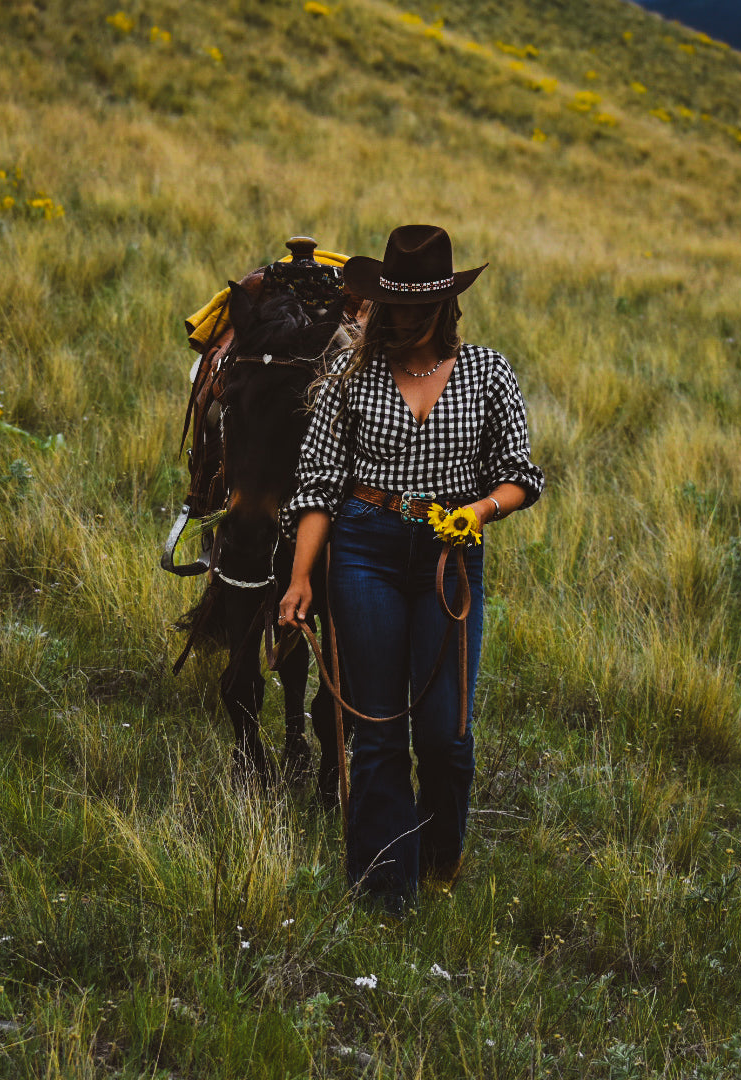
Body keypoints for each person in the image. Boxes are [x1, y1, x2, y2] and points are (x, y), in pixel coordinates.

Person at [279, 224, 544, 911]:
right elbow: (316, 484)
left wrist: (479, 511)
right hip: (362, 546)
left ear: (444, 310)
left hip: (448, 556)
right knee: (376, 728)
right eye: (391, 308)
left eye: (416, 311)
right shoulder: (346, 375)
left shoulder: (488, 372)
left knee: (446, 735)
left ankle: (439, 855)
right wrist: (301, 578)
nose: (402, 322)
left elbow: (520, 474)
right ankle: (382, 892)